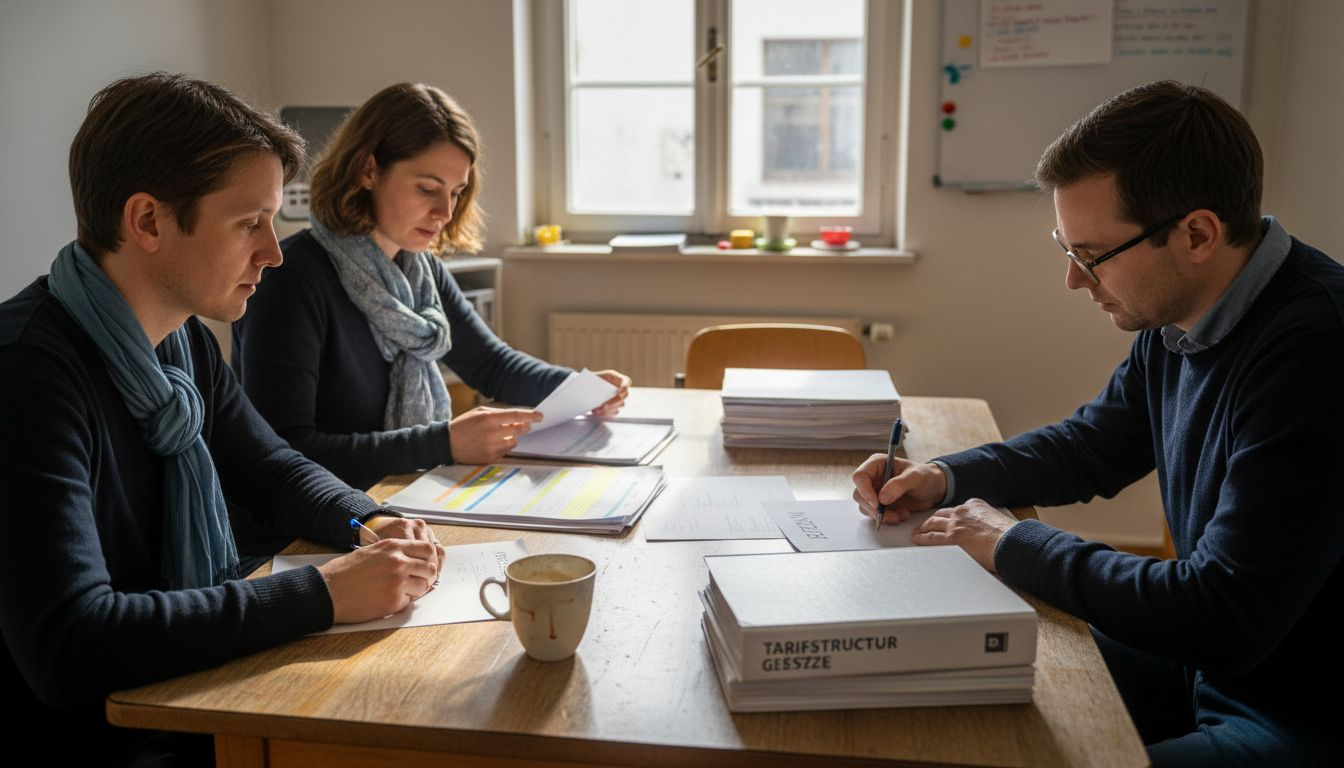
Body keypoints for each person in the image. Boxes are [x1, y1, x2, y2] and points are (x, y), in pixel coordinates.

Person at [852, 81, 1343, 766]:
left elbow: (1221, 613)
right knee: (953, 674)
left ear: (1197, 234)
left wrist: (1015, 541)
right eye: (1067, 248)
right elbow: (1092, 446)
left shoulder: (1317, 349)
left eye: (1092, 254)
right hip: (1211, 668)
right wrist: (944, 476)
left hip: (1297, 713)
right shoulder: (1184, 315)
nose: (1074, 279)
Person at [0, 73, 445, 766]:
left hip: (185, 691)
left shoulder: (181, 340)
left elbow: (270, 467)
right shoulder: (27, 373)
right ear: (148, 221)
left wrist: (368, 520)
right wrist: (325, 593)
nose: (273, 251)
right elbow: (71, 643)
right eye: (248, 223)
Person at [231, 83, 629, 556]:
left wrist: (584, 387)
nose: (445, 212)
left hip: (392, 506)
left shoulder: (420, 269)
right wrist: (442, 442)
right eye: (427, 189)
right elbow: (285, 452)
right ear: (368, 170)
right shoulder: (292, 278)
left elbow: (492, 365)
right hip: (305, 536)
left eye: (457, 193)